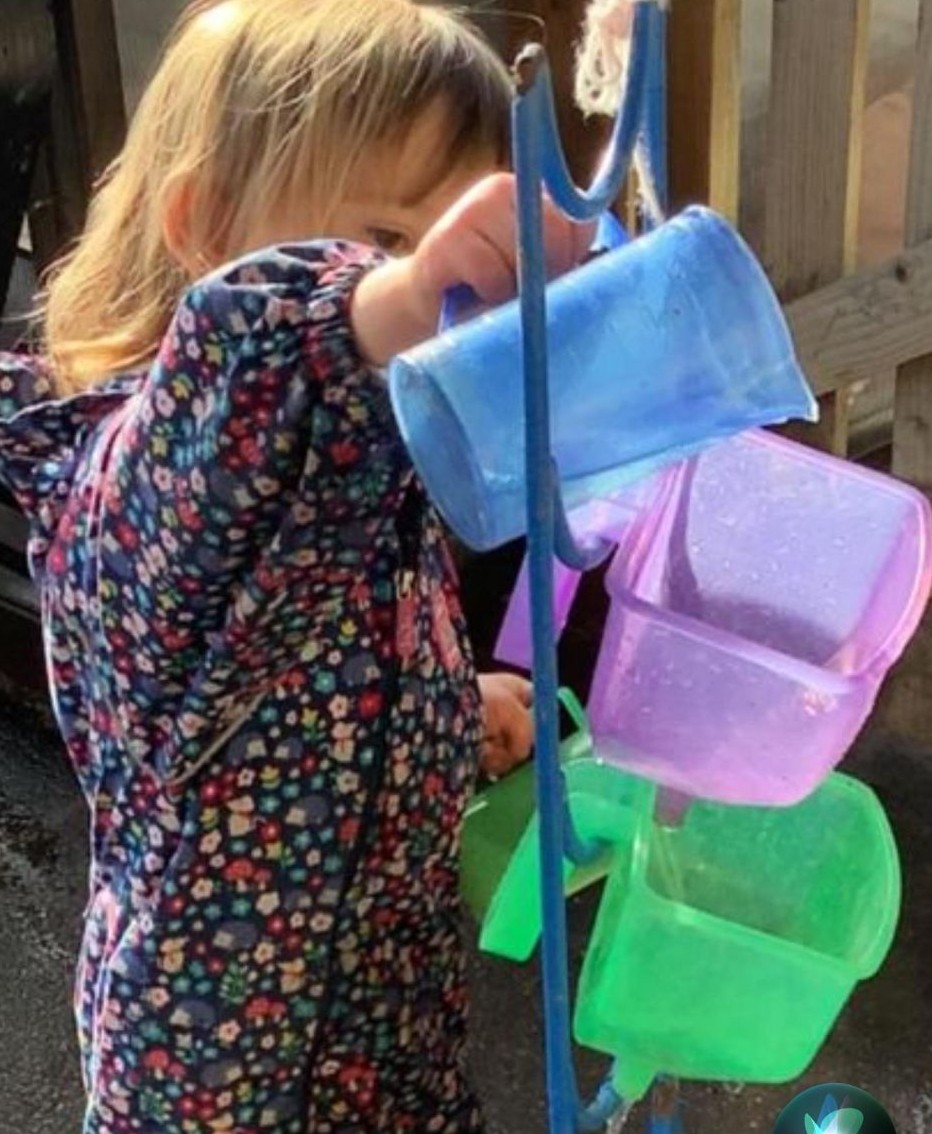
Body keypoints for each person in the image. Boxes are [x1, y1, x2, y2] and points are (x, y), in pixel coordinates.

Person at [0, 1, 593, 1131]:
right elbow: (245, 393)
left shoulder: (367, 455)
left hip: (389, 1032)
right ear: (206, 224)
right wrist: (387, 303)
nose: (449, 301)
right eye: (385, 237)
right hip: (218, 1081)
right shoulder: (134, 481)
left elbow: (315, 654)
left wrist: (444, 707)